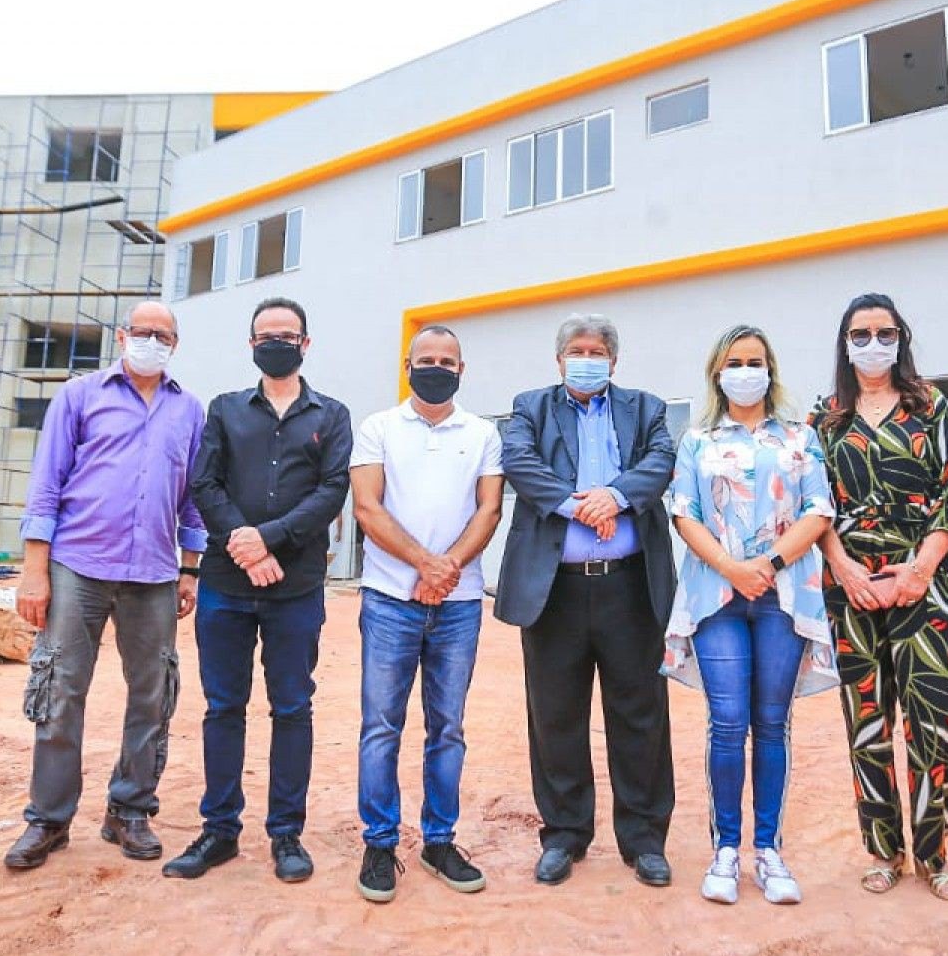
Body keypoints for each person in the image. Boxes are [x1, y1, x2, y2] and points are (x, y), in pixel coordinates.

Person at [5, 300, 206, 870]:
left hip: (154, 573)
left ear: (175, 344)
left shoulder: (189, 410)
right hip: (78, 565)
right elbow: (47, 483)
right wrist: (34, 570)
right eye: (142, 331)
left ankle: (130, 809)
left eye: (163, 335)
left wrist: (190, 568)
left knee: (153, 694)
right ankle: (49, 819)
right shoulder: (79, 396)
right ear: (122, 336)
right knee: (60, 690)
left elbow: (193, 497)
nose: (152, 341)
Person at [165, 297, 353, 884]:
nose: (276, 343)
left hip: (296, 588)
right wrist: (244, 545)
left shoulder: (332, 415)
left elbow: (332, 491)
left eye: (287, 335)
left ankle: (286, 833)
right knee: (223, 707)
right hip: (225, 585)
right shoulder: (224, 410)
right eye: (265, 335)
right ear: (251, 345)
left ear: (305, 343)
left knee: (292, 707)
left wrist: (267, 539)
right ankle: (219, 830)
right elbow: (205, 483)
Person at [496, 313, 678, 888]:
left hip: (630, 587)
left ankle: (644, 839)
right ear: (559, 360)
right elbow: (519, 462)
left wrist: (615, 497)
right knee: (556, 716)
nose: (587, 359)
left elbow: (661, 461)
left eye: (597, 351)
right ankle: (564, 835)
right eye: (577, 350)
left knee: (640, 716)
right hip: (555, 590)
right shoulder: (530, 407)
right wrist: (579, 506)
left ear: (614, 361)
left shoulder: (646, 408)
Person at [665, 324, 835, 906]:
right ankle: (725, 850)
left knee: (771, 722)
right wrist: (732, 569)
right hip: (717, 597)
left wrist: (769, 562)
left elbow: (818, 509)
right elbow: (684, 513)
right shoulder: (697, 440)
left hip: (783, 597)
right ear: (718, 373)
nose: (745, 371)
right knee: (728, 722)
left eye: (755, 362)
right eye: (734, 363)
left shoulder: (799, 437)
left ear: (770, 370)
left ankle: (768, 850)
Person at [810, 293, 948, 901]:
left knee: (936, 720)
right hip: (851, 586)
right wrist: (845, 568)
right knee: (867, 724)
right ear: (844, 343)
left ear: (901, 338)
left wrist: (920, 569)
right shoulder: (826, 418)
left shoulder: (930, 405)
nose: (873, 343)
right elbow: (812, 503)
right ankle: (883, 851)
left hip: (927, 584)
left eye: (885, 333)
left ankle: (934, 854)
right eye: (861, 334)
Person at [347, 325, 504, 903]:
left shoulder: (483, 432)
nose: (436, 368)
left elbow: (490, 509)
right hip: (390, 599)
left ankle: (439, 840)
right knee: (381, 726)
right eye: (426, 359)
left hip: (458, 605)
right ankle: (379, 842)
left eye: (447, 361)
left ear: (462, 370)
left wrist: (447, 569)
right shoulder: (378, 428)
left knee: (448, 728)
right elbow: (367, 507)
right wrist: (423, 563)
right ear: (408, 366)